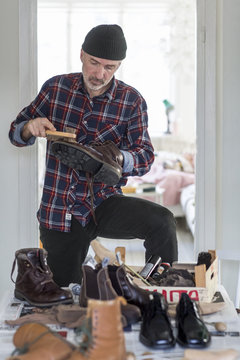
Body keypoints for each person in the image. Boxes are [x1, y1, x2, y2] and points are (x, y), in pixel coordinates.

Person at [9, 24, 178, 286]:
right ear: (81, 55)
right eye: (94, 63)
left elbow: (145, 157)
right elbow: (15, 133)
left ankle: (164, 291)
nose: (100, 74)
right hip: (60, 210)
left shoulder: (131, 101)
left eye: (109, 67)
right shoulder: (55, 89)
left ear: (118, 66)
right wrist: (29, 129)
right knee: (65, 293)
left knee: (163, 222)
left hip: (104, 202)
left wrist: (119, 158)